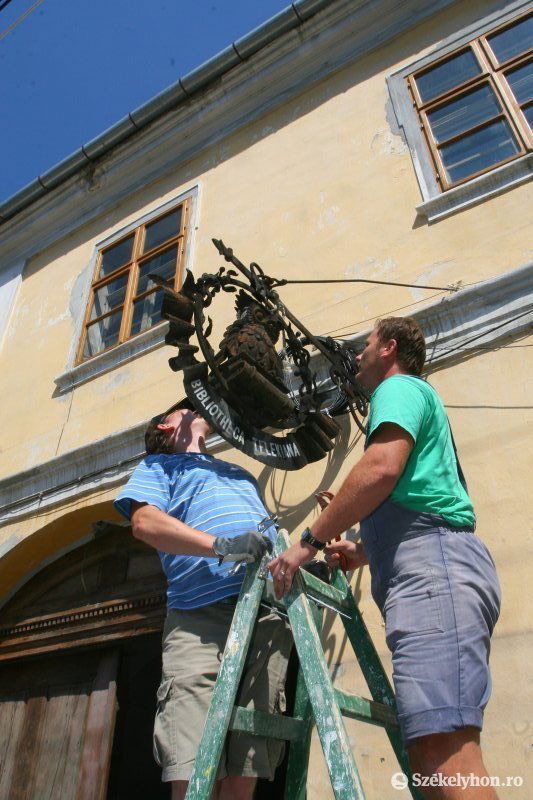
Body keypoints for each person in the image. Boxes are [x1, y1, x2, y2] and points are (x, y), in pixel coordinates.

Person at [269, 317, 501, 800]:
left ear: (390, 348)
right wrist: (364, 549)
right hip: (432, 566)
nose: (357, 356)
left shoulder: (397, 389)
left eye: (366, 345)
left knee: (444, 751)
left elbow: (380, 467)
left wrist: (308, 539)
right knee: (429, 752)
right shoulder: (411, 398)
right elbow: (423, 502)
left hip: (433, 573)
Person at [114, 399, 291, 800]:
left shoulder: (238, 473)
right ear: (164, 426)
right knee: (194, 770)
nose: (199, 407)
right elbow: (144, 523)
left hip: (262, 611)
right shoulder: (159, 467)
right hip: (197, 617)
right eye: (185, 408)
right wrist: (221, 546)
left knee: (248, 761)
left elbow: (267, 534)